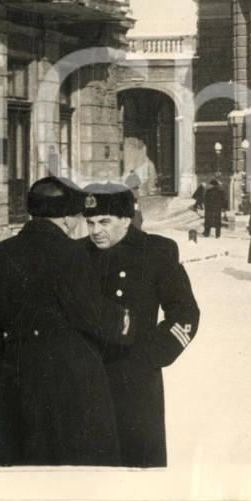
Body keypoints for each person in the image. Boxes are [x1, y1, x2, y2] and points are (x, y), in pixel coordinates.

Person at [0, 177, 135, 466]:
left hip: (18, 392)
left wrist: (9, 393)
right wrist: (127, 319)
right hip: (76, 396)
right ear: (67, 218)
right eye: (76, 216)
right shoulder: (73, 255)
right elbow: (97, 317)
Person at [82, 183, 200, 468]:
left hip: (135, 381)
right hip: (86, 378)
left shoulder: (156, 252)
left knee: (139, 465)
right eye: (90, 222)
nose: (95, 230)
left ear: (125, 219)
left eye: (104, 221)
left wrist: (151, 355)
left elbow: (185, 313)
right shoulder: (76, 254)